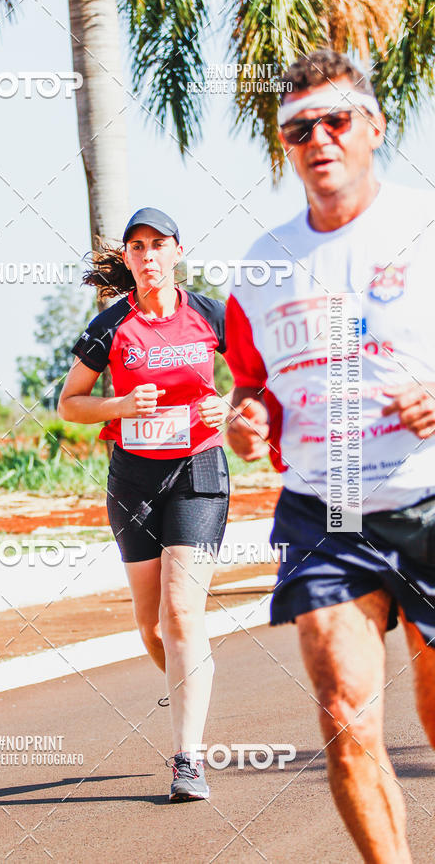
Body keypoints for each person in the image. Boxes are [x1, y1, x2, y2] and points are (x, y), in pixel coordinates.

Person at [225, 48, 435, 861]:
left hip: (426, 496)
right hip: (324, 509)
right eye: (298, 127)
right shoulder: (261, 267)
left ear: (373, 128)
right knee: (344, 706)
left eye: (336, 119)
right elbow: (252, 386)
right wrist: (247, 419)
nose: (319, 138)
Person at [58, 207, 231, 801]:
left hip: (198, 470)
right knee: (151, 624)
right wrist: (121, 407)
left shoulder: (211, 313)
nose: (148, 255)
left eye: (159, 244)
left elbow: (265, 377)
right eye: (137, 246)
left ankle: (189, 757)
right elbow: (70, 404)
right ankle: (194, 680)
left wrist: (228, 405)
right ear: (127, 258)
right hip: (132, 479)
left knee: (182, 614)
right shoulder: (111, 326)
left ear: (178, 252)